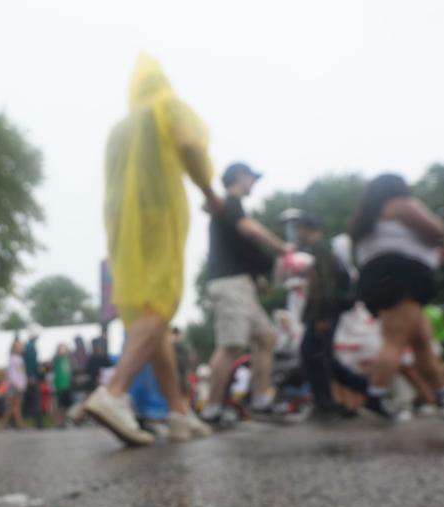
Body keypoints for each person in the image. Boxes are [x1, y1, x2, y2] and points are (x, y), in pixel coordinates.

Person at [83, 55, 218, 446]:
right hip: (160, 214)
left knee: (149, 309)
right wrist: (210, 192)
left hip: (123, 222)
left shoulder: (120, 128)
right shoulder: (168, 106)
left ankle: (177, 411)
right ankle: (114, 393)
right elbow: (189, 143)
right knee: (162, 301)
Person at [348, 173, 444, 421]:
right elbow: (437, 230)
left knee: (422, 340)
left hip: (382, 277)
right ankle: (375, 396)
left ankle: (443, 395)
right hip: (400, 277)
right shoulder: (396, 205)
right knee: (395, 340)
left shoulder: (368, 220)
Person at [200, 162, 292, 426]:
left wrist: (256, 278)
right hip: (230, 284)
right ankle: (212, 410)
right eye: (252, 178)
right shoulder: (229, 203)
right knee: (231, 345)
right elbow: (249, 230)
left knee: (266, 338)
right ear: (241, 177)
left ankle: (261, 401)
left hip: (240, 284)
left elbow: (239, 248)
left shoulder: (227, 209)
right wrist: (281, 247)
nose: (254, 184)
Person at [285, 213, 367, 419]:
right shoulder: (320, 250)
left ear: (307, 229)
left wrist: (322, 316)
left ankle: (326, 405)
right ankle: (361, 392)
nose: (297, 234)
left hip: (324, 311)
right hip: (326, 310)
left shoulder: (320, 250)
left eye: (300, 229)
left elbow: (325, 285)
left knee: (313, 355)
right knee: (324, 359)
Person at [22, 327, 43, 429]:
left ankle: (38, 422)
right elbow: (30, 363)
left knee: (33, 399)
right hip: (32, 376)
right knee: (35, 400)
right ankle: (38, 423)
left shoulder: (30, 346)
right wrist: (30, 376)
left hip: (32, 375)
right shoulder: (30, 347)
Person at [4, 335, 27, 429]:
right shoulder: (14, 359)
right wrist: (19, 385)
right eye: (19, 346)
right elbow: (13, 374)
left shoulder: (18, 358)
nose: (21, 348)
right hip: (15, 386)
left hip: (17, 385)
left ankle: (4, 423)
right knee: (16, 406)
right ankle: (19, 424)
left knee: (14, 406)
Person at [51, 343, 74, 426]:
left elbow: (70, 371)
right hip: (58, 385)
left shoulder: (68, 359)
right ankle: (58, 422)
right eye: (60, 349)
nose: (62, 351)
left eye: (63, 349)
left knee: (66, 405)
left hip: (67, 385)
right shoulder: (56, 359)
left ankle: (64, 421)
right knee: (58, 405)